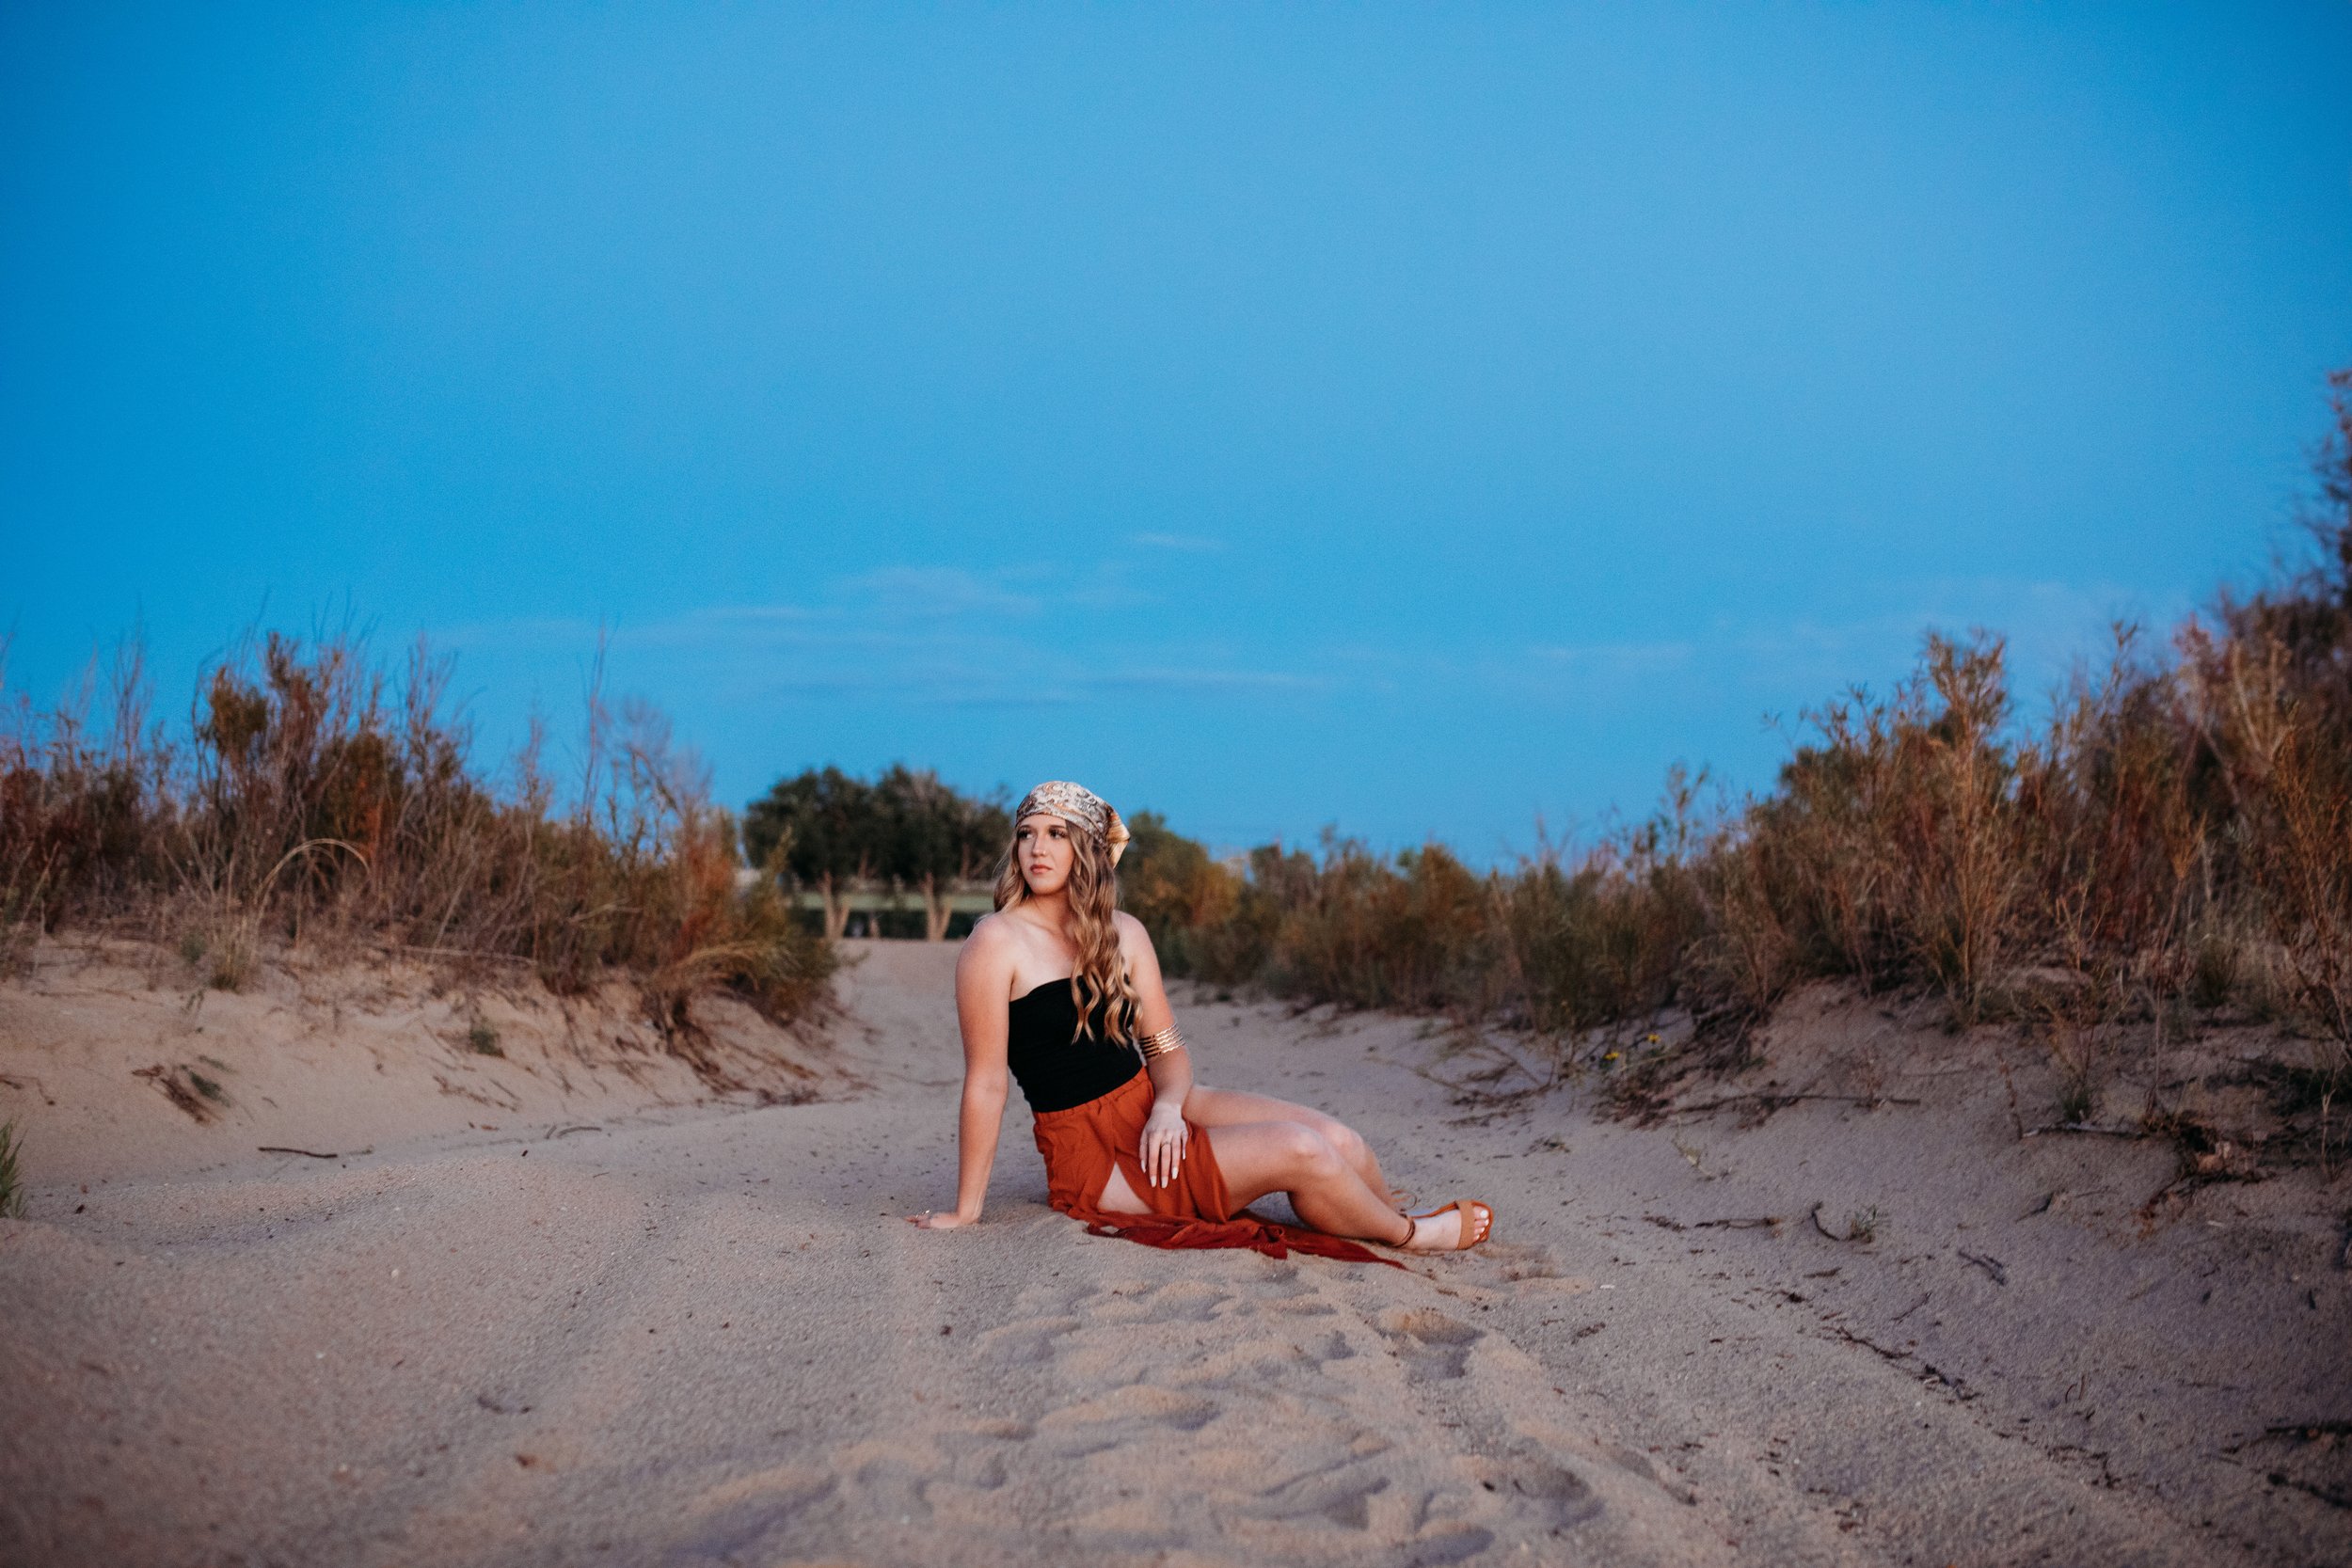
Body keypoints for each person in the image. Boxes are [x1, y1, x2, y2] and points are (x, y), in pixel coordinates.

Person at [907, 780, 1492, 1259]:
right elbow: (985, 1081)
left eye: (1057, 835)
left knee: (1340, 1138)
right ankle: (1411, 1237)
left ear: (1085, 849)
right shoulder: (995, 942)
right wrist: (968, 1209)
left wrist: (1165, 1108)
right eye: (1027, 835)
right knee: (1303, 1150)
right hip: (1092, 1154)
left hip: (1150, 1105)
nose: (1038, 848)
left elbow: (1166, 1052)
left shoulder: (1125, 934)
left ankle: (1384, 1213)